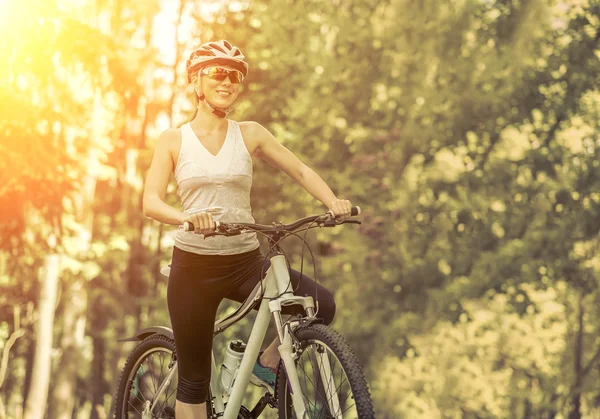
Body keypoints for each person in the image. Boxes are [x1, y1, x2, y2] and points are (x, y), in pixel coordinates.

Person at [142, 40, 353, 419]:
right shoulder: (174, 140)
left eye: (235, 76)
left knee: (322, 303)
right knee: (194, 382)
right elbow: (151, 202)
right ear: (196, 81)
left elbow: (300, 170)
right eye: (218, 73)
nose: (228, 82)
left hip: (244, 262)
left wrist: (332, 202)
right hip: (193, 268)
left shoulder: (250, 133)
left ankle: (267, 361)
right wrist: (186, 218)